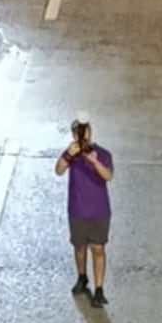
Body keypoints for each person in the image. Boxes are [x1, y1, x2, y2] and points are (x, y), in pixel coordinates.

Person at [55, 113, 114, 307]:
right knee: (79, 247)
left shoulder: (103, 154)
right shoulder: (71, 155)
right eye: (79, 133)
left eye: (85, 131)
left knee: (98, 249)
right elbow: (59, 170)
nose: (83, 136)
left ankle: (99, 289)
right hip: (78, 210)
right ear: (74, 136)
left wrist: (94, 161)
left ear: (90, 132)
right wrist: (68, 155)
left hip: (99, 211)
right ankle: (82, 276)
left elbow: (108, 176)